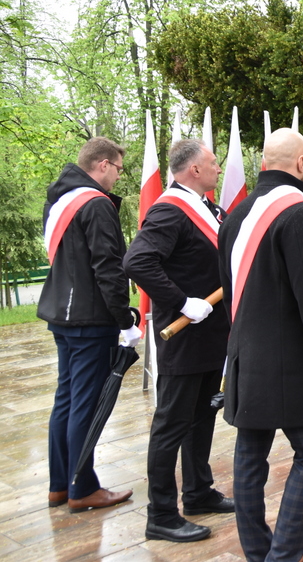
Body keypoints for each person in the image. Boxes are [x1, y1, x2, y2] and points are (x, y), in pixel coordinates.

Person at [218, 129, 303, 562]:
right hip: (290, 367)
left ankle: (259, 552)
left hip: (244, 357)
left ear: (265, 162)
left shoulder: (234, 216)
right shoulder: (301, 213)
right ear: (302, 162)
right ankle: (285, 554)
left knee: (250, 454)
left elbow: (230, 291)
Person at [123, 139, 233, 543]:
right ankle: (162, 514)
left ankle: (198, 492)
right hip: (184, 336)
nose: (218, 169)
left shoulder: (207, 207)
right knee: (171, 424)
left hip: (210, 336)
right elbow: (136, 261)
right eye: (212, 163)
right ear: (194, 170)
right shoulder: (170, 209)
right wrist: (182, 301)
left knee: (202, 416)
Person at [39, 137, 139, 512]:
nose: (117, 177)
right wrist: (123, 319)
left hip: (61, 314)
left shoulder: (59, 199)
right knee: (86, 404)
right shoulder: (95, 203)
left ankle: (59, 485)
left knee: (65, 401)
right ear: (102, 165)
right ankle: (83, 488)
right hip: (90, 318)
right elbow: (108, 267)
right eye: (117, 168)